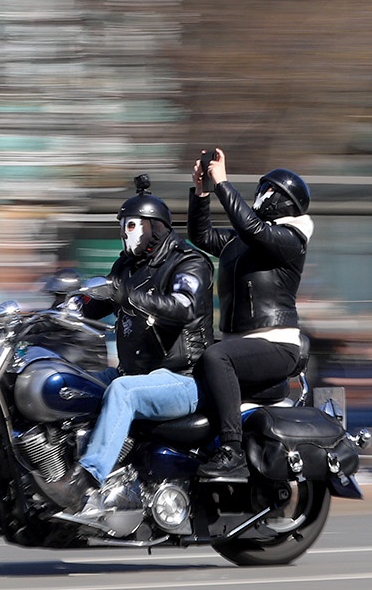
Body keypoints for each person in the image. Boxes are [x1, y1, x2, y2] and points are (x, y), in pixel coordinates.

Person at [49, 176, 213, 520]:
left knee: (122, 391)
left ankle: (85, 481)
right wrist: (65, 307)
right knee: (71, 385)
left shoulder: (188, 263)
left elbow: (184, 305)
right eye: (123, 225)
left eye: (133, 225)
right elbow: (101, 302)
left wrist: (132, 297)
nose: (126, 232)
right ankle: (55, 471)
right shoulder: (126, 267)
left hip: (182, 379)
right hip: (135, 372)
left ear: (155, 227)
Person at [188, 149, 313, 481]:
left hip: (276, 343)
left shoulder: (289, 238)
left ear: (280, 200)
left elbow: (253, 229)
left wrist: (222, 184)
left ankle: (232, 450)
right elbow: (201, 237)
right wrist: (201, 192)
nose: (259, 197)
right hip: (240, 344)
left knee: (216, 359)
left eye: (265, 191)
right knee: (185, 358)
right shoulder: (243, 240)